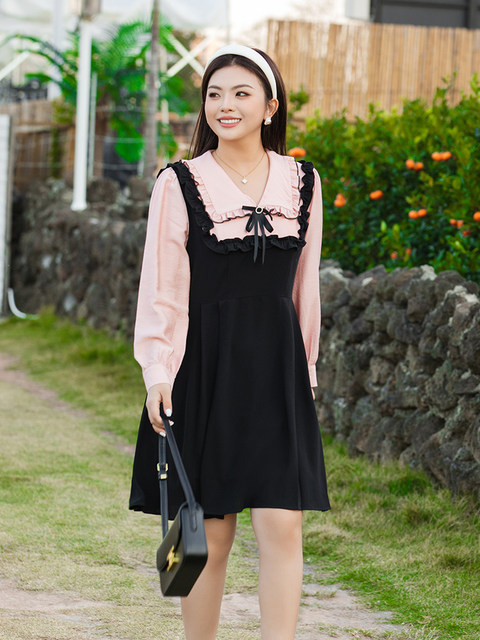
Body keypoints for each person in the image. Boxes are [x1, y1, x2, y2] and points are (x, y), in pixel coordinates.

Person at [129, 44, 330, 640]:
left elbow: (306, 288)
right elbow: (162, 289)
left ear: (270, 106)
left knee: (283, 525)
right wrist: (158, 372)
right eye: (214, 94)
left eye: (242, 93)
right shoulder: (179, 183)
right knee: (210, 534)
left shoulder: (304, 182)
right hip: (203, 370)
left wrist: (306, 372)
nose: (225, 105)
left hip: (277, 373)